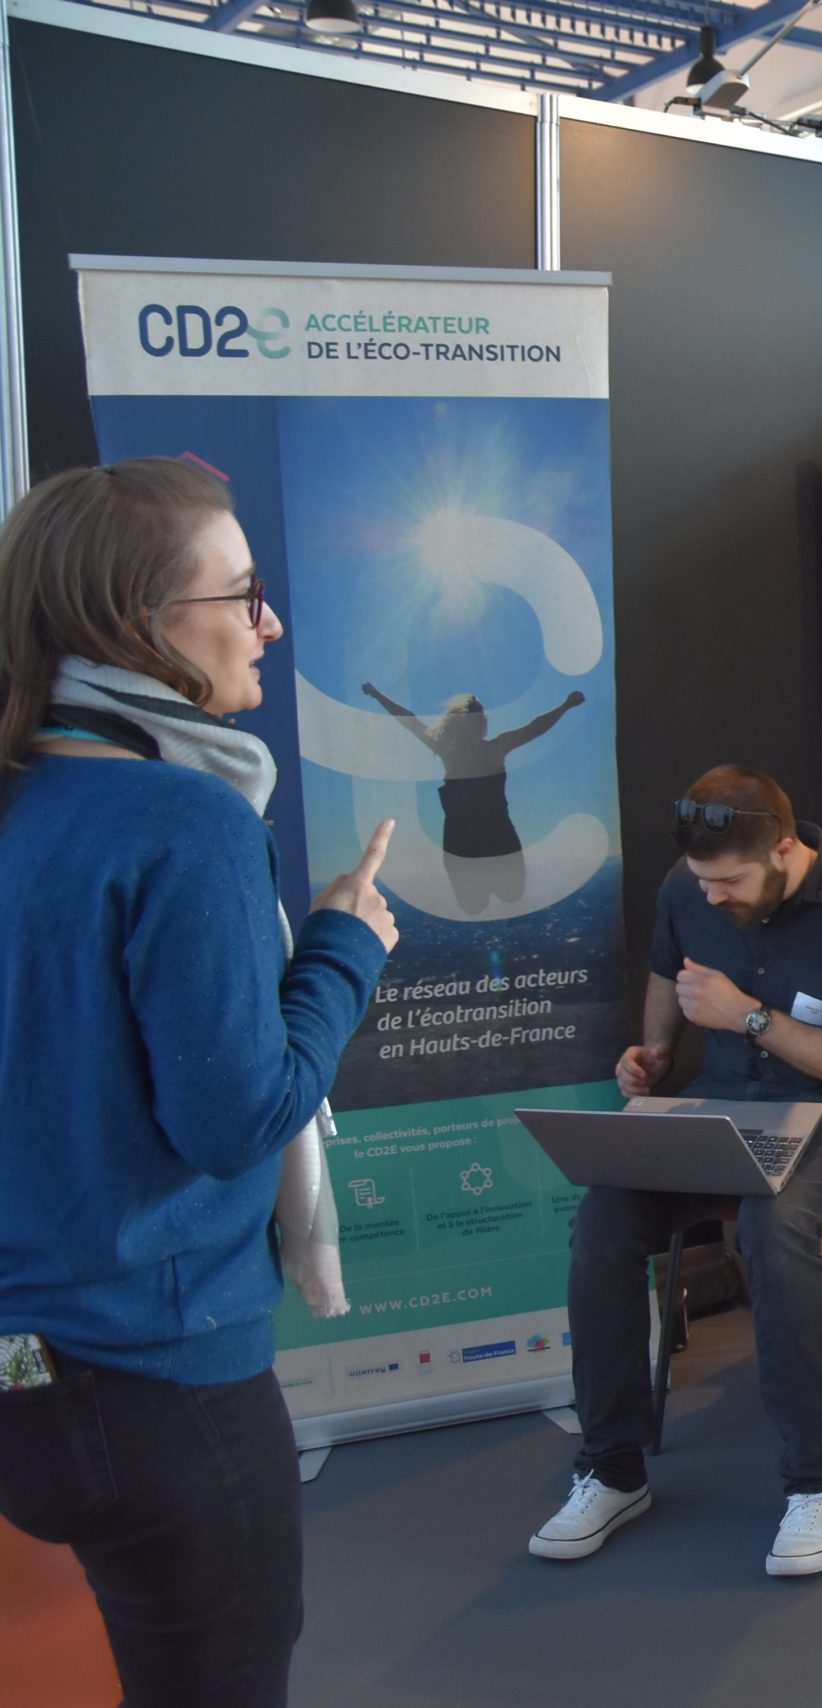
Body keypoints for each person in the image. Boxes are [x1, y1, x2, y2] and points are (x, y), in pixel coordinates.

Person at [0, 459, 398, 1707]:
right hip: (157, 1388)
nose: (269, 624)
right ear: (139, 622)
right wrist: (345, 947)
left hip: (21, 1378)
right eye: (244, 593)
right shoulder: (187, 822)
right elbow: (238, 1117)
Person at [532, 765, 822, 1578]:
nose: (710, 896)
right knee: (602, 1220)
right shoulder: (690, 886)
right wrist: (654, 1054)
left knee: (773, 1225)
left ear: (783, 850)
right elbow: (666, 973)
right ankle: (611, 1470)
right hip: (719, 1105)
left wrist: (747, 1015)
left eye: (729, 883)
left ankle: (816, 1483)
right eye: (701, 880)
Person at [360, 680, 584, 914]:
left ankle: (488, 878)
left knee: (501, 897)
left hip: (477, 837)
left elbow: (410, 721)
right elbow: (410, 721)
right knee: (483, 903)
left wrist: (566, 705)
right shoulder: (477, 749)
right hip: (478, 838)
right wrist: (566, 705)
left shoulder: (458, 750)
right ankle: (487, 879)